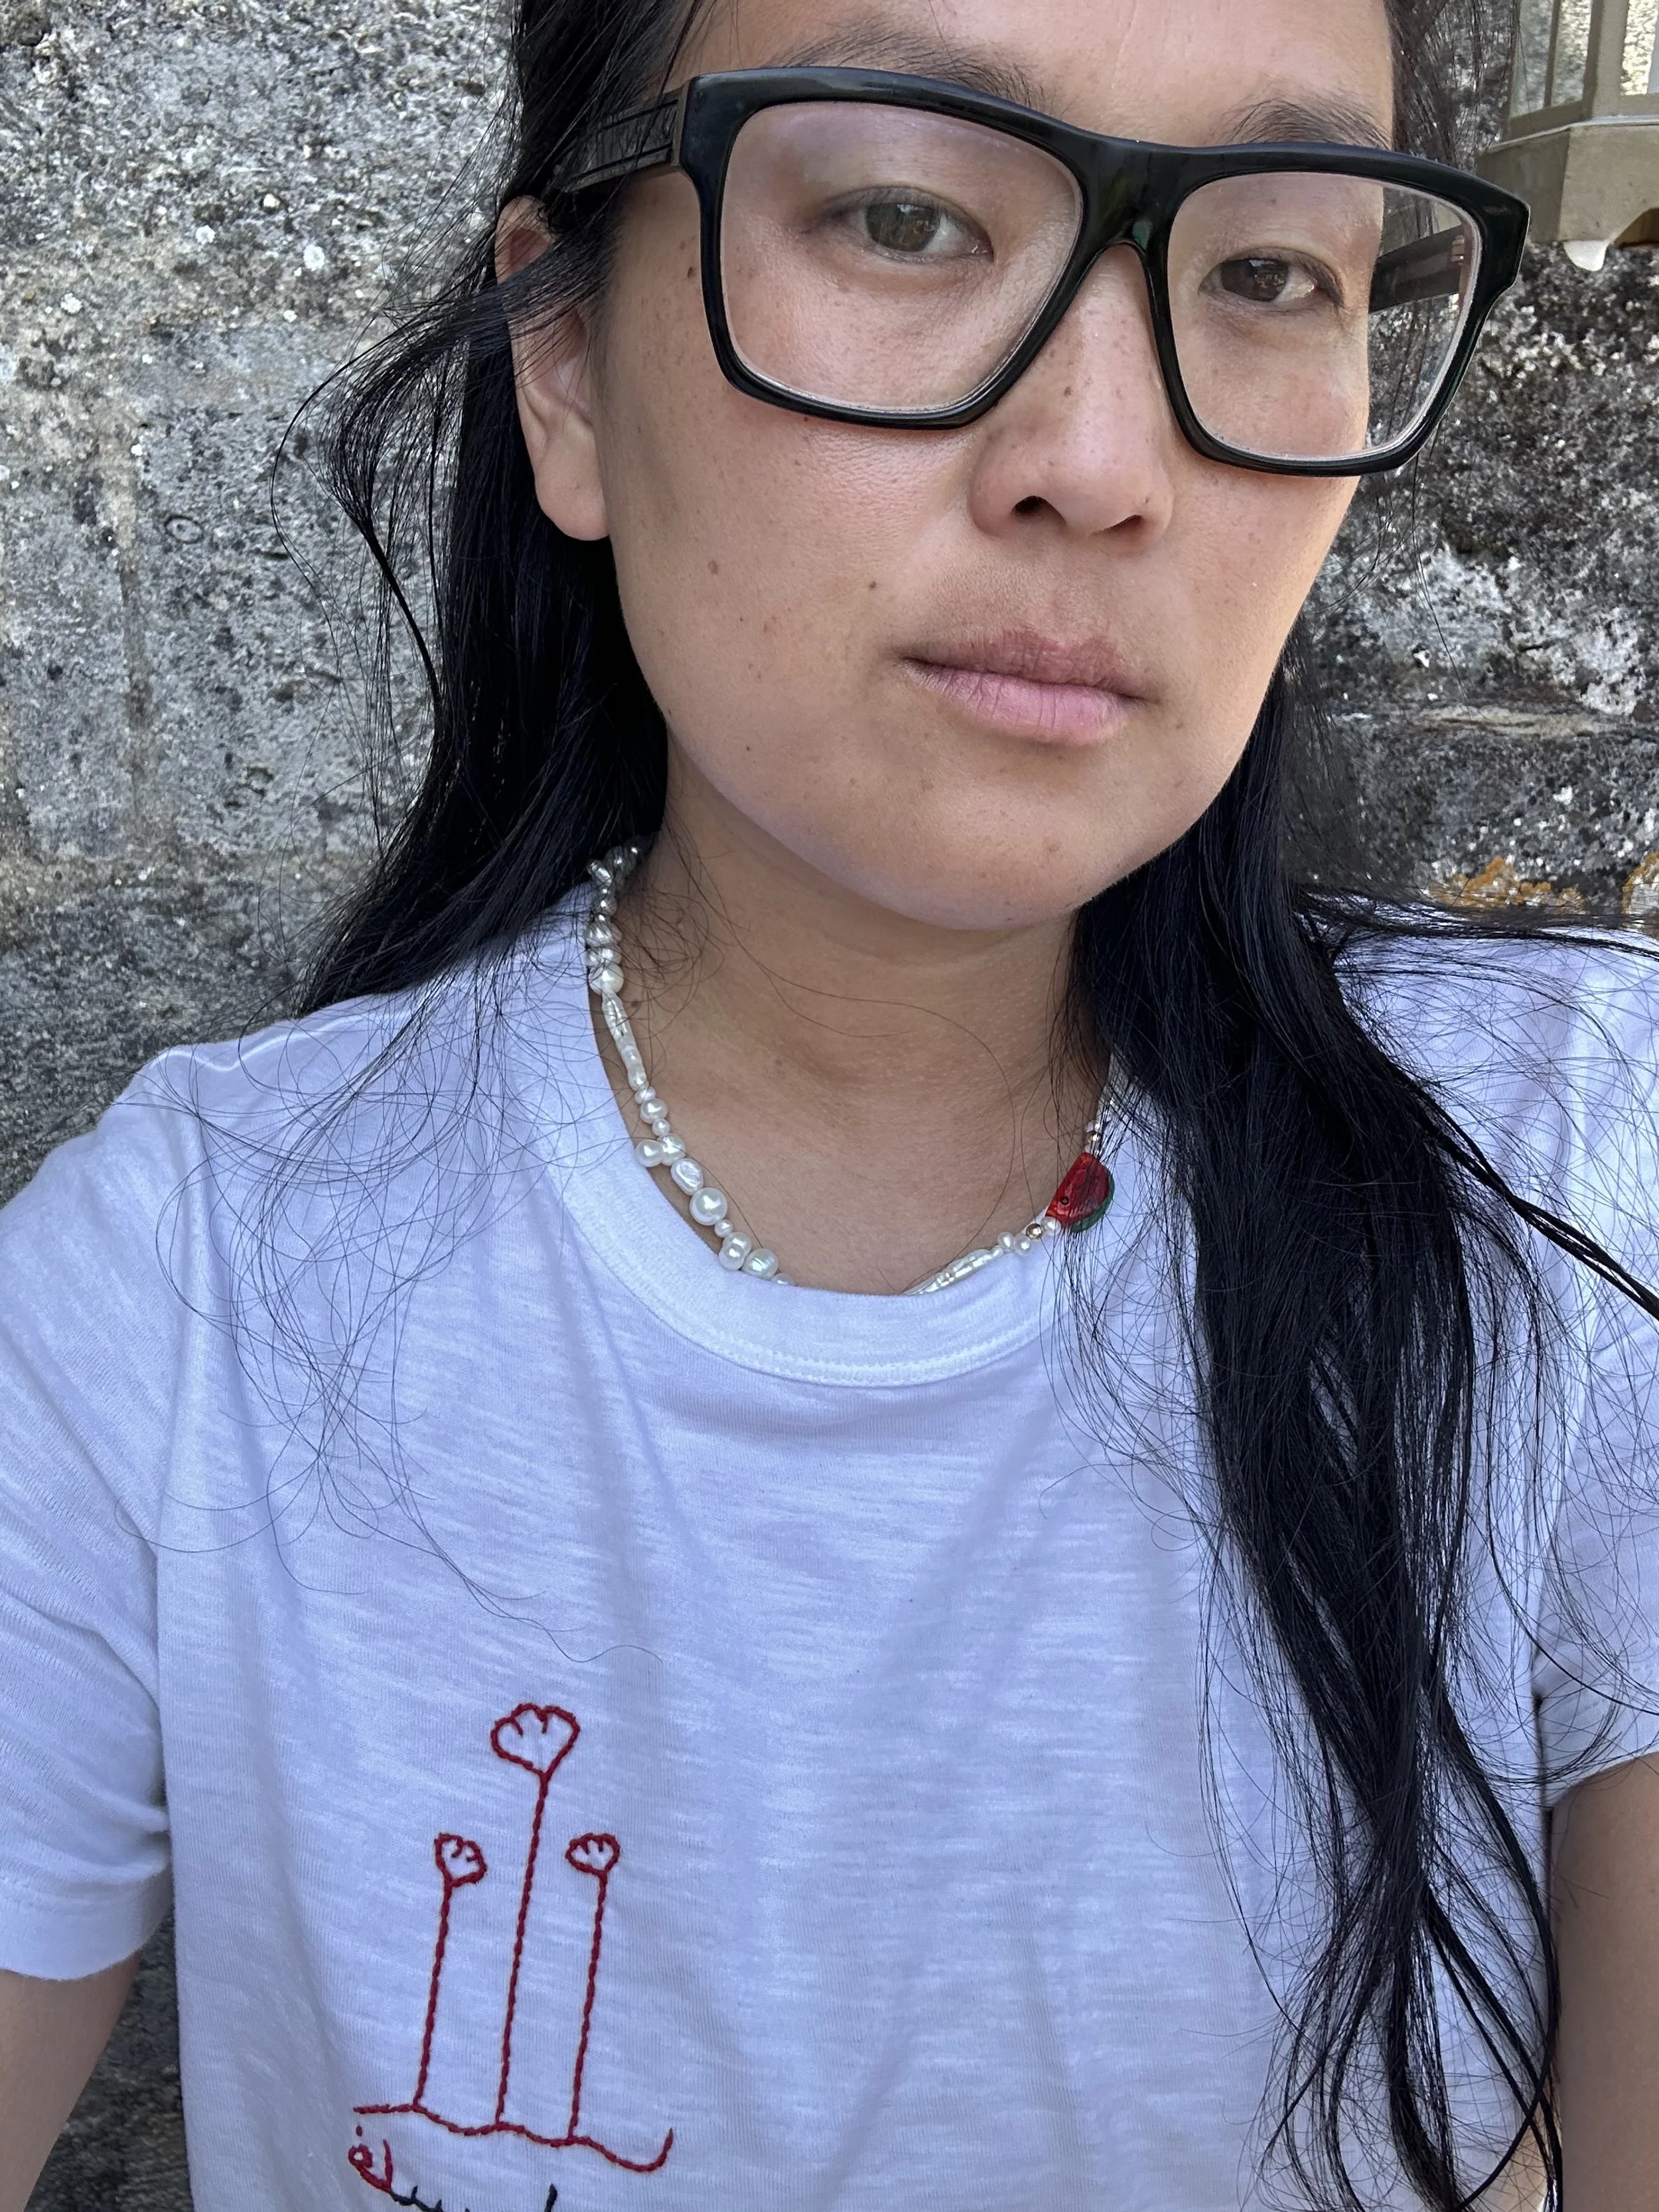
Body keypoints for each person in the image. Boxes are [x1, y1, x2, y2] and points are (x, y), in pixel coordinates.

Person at [3, 0, 1657, 2204]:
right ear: (567, 364)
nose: (1101, 453)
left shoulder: (1565, 1182)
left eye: (1267, 270)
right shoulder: (184, 1296)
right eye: (903, 213)